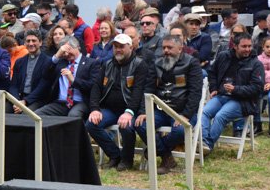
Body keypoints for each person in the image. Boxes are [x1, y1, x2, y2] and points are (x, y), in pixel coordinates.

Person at [135, 35, 203, 174]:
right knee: (140, 124)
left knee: (180, 130)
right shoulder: (156, 62)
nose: (165, 50)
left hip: (182, 111)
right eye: (164, 47)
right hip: (160, 109)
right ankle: (166, 157)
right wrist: (143, 111)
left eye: (170, 47)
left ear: (180, 48)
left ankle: (155, 150)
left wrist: (185, 115)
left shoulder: (192, 63)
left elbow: (195, 92)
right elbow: (148, 89)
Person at [85, 33, 151, 171]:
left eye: (121, 47)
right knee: (91, 124)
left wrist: (129, 112)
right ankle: (115, 155)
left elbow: (138, 91)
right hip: (109, 109)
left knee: (125, 126)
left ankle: (127, 160)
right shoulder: (107, 63)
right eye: (115, 47)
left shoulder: (139, 65)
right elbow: (96, 87)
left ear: (131, 47)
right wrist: (95, 108)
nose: (118, 50)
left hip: (130, 109)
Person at [201, 33, 264, 152]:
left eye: (249, 46)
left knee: (220, 116)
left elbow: (257, 89)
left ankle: (207, 145)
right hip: (221, 96)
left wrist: (236, 89)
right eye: (244, 46)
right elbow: (212, 72)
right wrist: (214, 88)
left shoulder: (256, 64)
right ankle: (203, 142)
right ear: (235, 46)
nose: (248, 49)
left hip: (243, 101)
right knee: (204, 112)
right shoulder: (223, 56)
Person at [34, 36, 99, 119]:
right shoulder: (61, 62)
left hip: (80, 102)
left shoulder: (91, 63)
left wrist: (73, 80)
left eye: (69, 50)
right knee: (37, 115)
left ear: (77, 47)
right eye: (63, 52)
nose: (66, 54)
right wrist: (57, 55)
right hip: (61, 102)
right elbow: (45, 74)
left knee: (73, 116)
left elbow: (93, 85)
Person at [8, 30, 53, 113]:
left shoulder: (47, 61)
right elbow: (13, 85)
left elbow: (43, 87)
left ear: (40, 43)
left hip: (37, 100)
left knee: (26, 115)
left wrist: (25, 102)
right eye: (28, 41)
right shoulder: (19, 61)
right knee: (2, 111)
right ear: (24, 43)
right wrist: (17, 101)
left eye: (34, 41)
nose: (31, 44)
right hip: (19, 98)